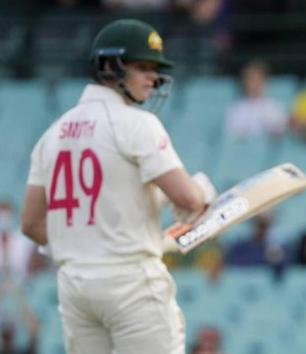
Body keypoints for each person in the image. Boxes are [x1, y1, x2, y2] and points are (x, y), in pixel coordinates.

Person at [20, 19, 217, 354]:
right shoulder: (137, 124)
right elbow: (186, 197)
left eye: (155, 69)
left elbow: (31, 224)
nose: (153, 78)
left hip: (75, 285)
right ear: (110, 66)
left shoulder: (52, 134)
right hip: (131, 282)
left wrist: (86, 247)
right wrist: (202, 194)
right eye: (142, 67)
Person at [224, 60, 289, 139]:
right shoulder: (236, 108)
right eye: (251, 79)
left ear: (265, 81)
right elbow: (232, 135)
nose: (254, 83)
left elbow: (282, 131)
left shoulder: (275, 106)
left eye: (258, 79)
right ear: (244, 82)